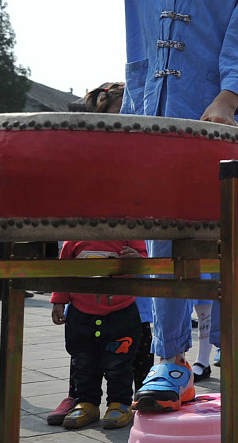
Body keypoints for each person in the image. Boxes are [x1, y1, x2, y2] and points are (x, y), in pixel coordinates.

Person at [77, 0, 238, 414]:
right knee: (164, 244)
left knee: (231, 245)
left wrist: (229, 99)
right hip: (155, 134)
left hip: (220, 133)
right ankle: (170, 361)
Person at [46, 82, 157, 424]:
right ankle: (80, 396)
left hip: (131, 251)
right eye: (120, 112)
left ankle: (138, 395)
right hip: (91, 247)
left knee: (133, 339)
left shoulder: (143, 146)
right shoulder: (88, 152)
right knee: (84, 346)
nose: (127, 118)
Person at [50, 241, 148, 430]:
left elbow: (145, 260)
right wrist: (59, 301)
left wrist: (137, 259)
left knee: (119, 364)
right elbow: (62, 271)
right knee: (84, 363)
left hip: (121, 312)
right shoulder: (74, 238)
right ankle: (87, 403)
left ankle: (119, 403)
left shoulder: (127, 233)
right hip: (81, 313)